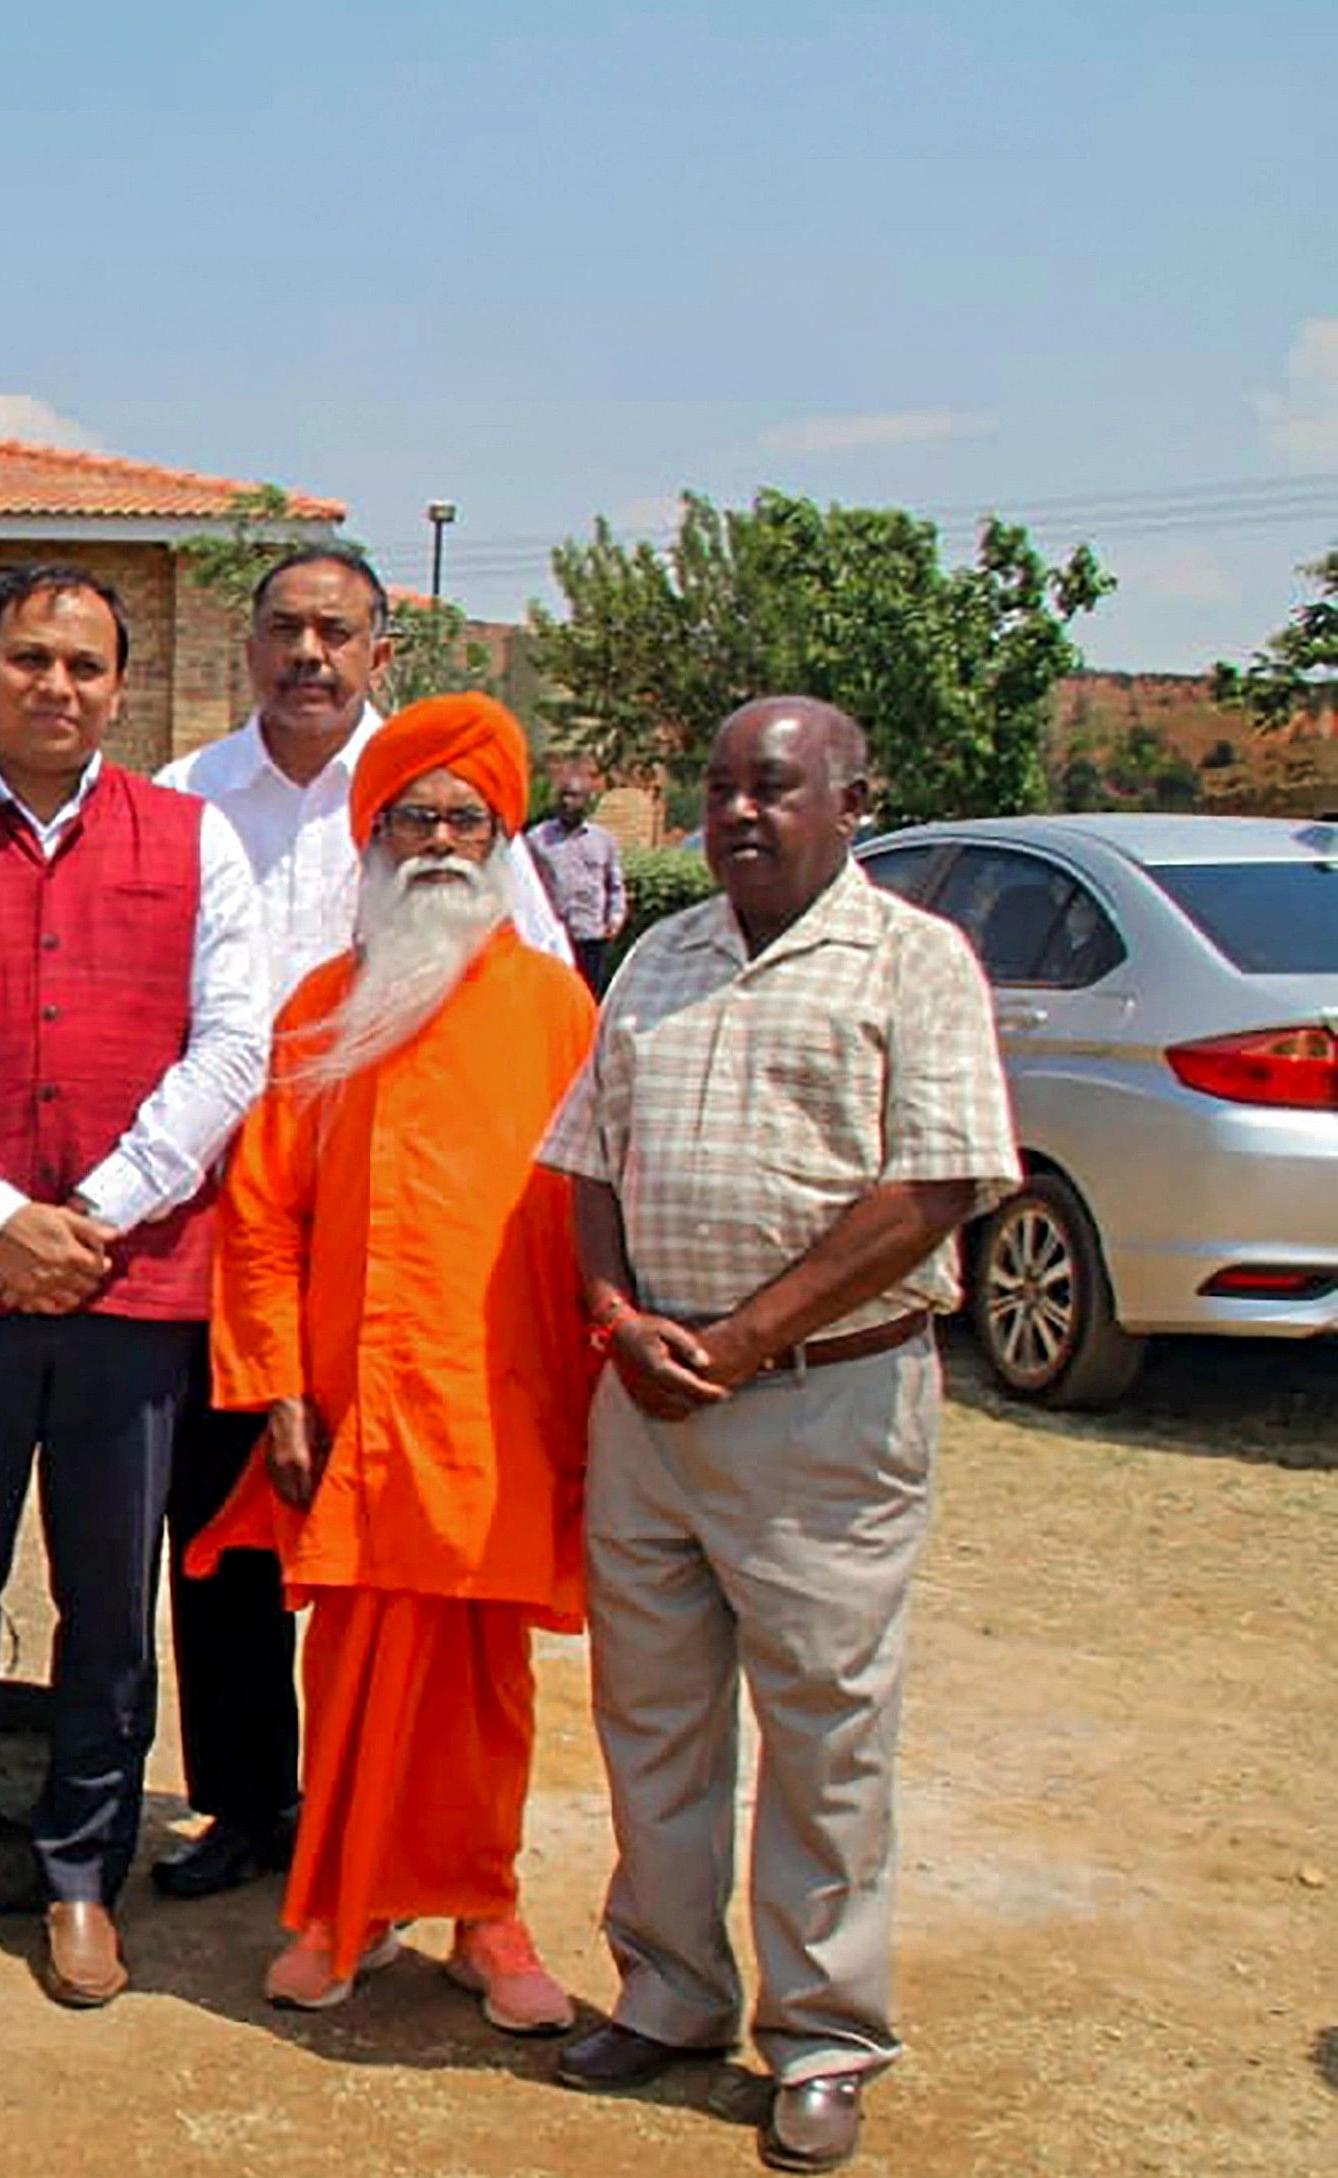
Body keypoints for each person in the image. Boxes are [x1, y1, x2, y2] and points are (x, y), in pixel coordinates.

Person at [537, 697, 1017, 2175]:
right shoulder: (659, 960)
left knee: (826, 1735)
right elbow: (587, 1159)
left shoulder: (915, 962)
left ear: (852, 802)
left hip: (822, 1407)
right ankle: (671, 1989)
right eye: (722, 787)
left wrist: (740, 1341)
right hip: (654, 1402)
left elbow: (933, 1186)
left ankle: (820, 2035)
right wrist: (621, 1317)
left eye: (777, 787)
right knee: (655, 1718)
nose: (740, 812)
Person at [0, 563, 269, 2011]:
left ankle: (86, 1874)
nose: (57, 687)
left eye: (86, 666)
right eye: (30, 658)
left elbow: (232, 1047)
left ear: (122, 687)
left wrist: (93, 1210)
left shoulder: (198, 843)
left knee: (109, 1598)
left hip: (131, 1289)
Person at [143, 545, 571, 1906]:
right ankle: (245, 1801)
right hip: (218, 1217)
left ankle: (372, 1815)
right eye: (285, 628)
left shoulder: (440, 805)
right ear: (246, 645)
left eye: (338, 630)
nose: (309, 653)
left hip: (408, 1250)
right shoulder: (186, 801)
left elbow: (542, 1019)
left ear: (381, 650)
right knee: (223, 1524)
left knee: (393, 1552)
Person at [526, 763, 632, 990]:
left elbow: (614, 884)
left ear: (586, 801)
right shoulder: (537, 839)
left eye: (574, 796)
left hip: (591, 936)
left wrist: (615, 917)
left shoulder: (603, 841)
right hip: (553, 936)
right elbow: (527, 885)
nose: (566, 802)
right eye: (562, 796)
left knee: (587, 994)